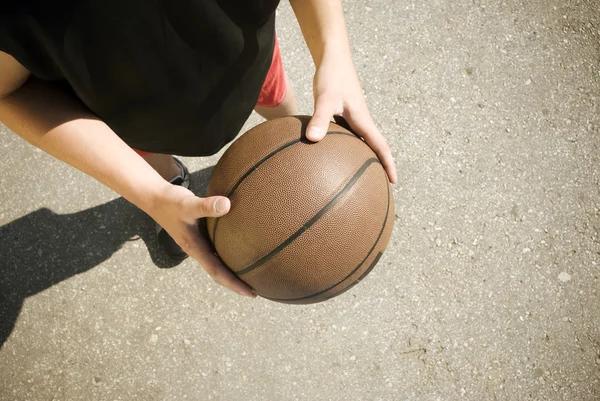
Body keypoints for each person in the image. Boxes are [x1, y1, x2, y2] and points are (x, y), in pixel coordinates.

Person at [0, 0, 397, 299]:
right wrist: (149, 194)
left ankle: (290, 143)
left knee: (283, 112)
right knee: (144, 157)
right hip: (131, 116)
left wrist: (334, 52)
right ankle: (171, 183)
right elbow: (7, 92)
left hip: (244, 62)